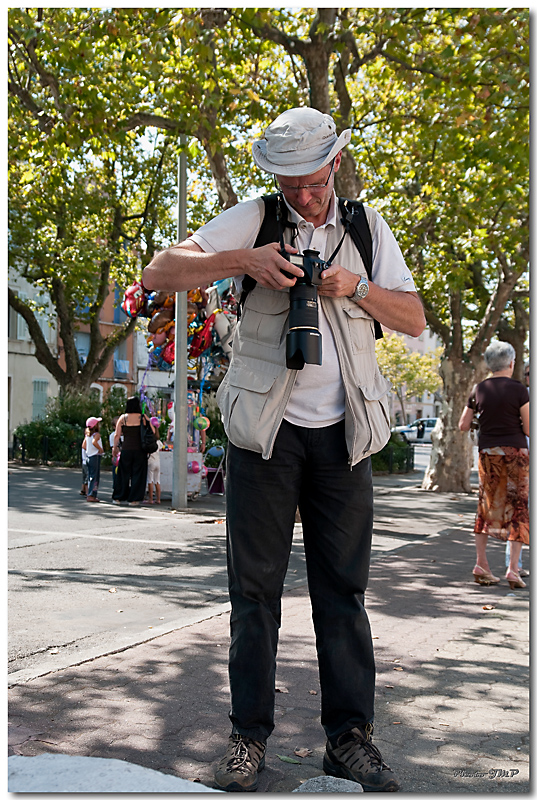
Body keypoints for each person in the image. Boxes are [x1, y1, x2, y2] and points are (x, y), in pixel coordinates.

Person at [143, 107, 426, 793]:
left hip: (345, 438)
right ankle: (247, 740)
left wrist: (352, 287)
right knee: (253, 594)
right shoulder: (256, 218)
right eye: (288, 183)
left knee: (343, 596)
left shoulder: (365, 227)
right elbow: (158, 272)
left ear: (335, 163)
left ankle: (348, 741)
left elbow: (414, 320)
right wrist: (244, 261)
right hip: (262, 436)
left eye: (312, 180)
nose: (303, 195)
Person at [459, 341, 529, 589]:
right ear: (511, 363)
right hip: (515, 454)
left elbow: (463, 425)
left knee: (486, 505)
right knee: (518, 507)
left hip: (488, 453)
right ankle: (512, 569)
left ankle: (481, 564)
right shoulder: (519, 390)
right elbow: (529, 427)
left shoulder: (478, 389)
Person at [505, 361, 529, 577]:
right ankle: (514, 565)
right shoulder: (522, 393)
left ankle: (514, 565)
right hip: (521, 458)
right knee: (519, 511)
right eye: (529, 373)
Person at [112, 396, 154, 506]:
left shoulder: (123, 418)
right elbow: (152, 430)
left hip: (126, 449)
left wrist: (114, 448)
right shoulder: (143, 417)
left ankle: (118, 497)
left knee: (123, 474)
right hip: (140, 450)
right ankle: (134, 499)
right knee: (138, 475)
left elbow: (117, 435)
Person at [82, 416, 104, 503]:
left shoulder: (87, 435)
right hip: (95, 456)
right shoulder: (96, 435)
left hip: (89, 456)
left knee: (91, 475)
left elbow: (83, 446)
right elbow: (94, 442)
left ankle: (89, 493)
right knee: (95, 476)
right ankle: (91, 495)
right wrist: (100, 449)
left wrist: (89, 449)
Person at [145, 422, 163, 504]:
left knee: (150, 481)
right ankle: (158, 499)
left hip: (150, 462)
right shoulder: (159, 442)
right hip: (158, 462)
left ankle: (150, 499)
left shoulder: (149, 442)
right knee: (157, 481)